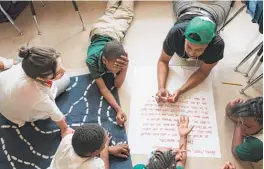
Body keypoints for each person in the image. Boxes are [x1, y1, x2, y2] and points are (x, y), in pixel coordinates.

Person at [156, 1, 231, 103]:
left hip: (214, 11)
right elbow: (163, 61)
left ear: (209, 44)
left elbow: (203, 72)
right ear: (184, 37)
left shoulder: (217, 45)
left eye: (199, 49)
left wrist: (181, 90)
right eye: (188, 46)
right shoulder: (176, 33)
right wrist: (161, 88)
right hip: (186, 7)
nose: (191, 53)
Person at [0, 46, 74, 136]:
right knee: (65, 79)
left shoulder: (28, 63)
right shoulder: (37, 94)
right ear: (40, 78)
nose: (64, 70)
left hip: (5, 100)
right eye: (58, 72)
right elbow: (55, 113)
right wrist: (65, 128)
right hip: (17, 114)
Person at [86, 0, 134, 126]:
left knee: (110, 12)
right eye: (114, 67)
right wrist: (118, 108)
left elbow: (117, 84)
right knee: (125, 13)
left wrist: (125, 68)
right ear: (104, 60)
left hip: (106, 33)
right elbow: (104, 89)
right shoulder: (91, 61)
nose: (116, 70)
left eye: (119, 66)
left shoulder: (120, 58)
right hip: (106, 30)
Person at [49, 123, 130, 169]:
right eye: (104, 144)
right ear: (94, 152)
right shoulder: (93, 166)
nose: (106, 143)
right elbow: (105, 166)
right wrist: (105, 150)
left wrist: (108, 149)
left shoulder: (68, 138)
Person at [226, 97, 263, 169]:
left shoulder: (255, 144)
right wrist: (230, 106)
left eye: (248, 126)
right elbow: (231, 114)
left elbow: (235, 150)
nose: (242, 128)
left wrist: (239, 123)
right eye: (241, 121)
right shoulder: (258, 108)